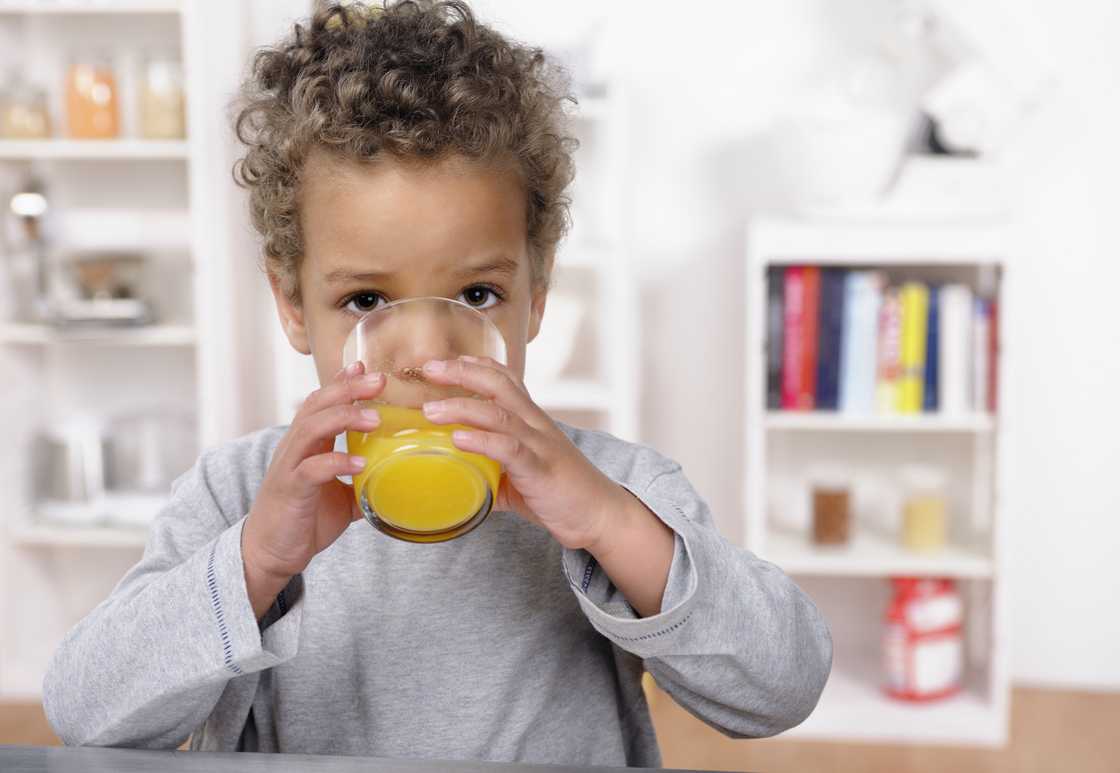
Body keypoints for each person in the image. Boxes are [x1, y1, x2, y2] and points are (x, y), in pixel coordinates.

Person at [43, 2, 831, 766]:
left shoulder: (613, 491)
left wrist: (608, 525)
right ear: (292, 305)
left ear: (537, 296)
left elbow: (781, 686)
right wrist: (255, 561)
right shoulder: (241, 495)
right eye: (366, 301)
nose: (421, 352)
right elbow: (84, 710)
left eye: (477, 295)